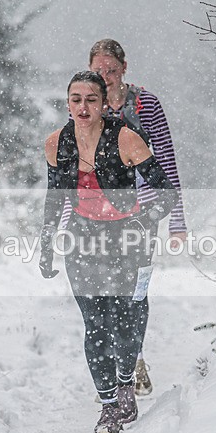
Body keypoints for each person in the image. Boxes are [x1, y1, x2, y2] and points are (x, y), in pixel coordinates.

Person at [39, 71, 178, 433]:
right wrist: (46, 244)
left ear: (103, 104)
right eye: (76, 100)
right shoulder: (56, 143)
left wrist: (145, 220)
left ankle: (126, 383)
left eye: (91, 100)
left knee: (125, 321)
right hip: (82, 238)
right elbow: (54, 198)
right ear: (68, 104)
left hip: (125, 238)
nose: (83, 107)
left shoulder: (125, 138)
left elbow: (166, 191)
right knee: (95, 324)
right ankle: (109, 406)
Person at [88, 38, 187, 397]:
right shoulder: (86, 105)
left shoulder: (147, 104)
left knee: (133, 290)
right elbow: (75, 166)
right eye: (98, 70)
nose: (106, 77)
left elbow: (167, 161)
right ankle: (117, 364)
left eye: (112, 70)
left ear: (124, 68)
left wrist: (177, 220)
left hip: (144, 209)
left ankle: (134, 360)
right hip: (100, 212)